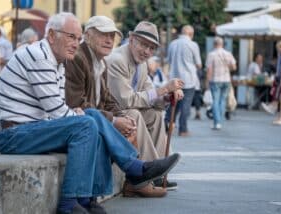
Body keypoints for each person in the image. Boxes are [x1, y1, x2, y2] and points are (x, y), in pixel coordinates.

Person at [0, 12, 180, 214]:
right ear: (52, 35)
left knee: (92, 124)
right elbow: (57, 111)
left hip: (32, 128)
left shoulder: (59, 60)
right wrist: (103, 119)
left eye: (77, 38)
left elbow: (100, 101)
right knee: (89, 123)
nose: (75, 43)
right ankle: (78, 199)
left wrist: (98, 117)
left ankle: (87, 200)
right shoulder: (40, 56)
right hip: (12, 134)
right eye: (71, 36)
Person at [65, 16, 166, 197]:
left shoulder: (101, 61)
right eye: (103, 35)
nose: (109, 40)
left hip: (93, 117)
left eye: (112, 36)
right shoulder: (83, 58)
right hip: (81, 120)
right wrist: (116, 119)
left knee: (146, 115)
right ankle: (140, 173)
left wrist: (164, 98)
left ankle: (149, 173)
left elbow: (108, 99)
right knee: (130, 115)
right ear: (87, 36)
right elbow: (77, 104)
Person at [106, 21, 184, 190]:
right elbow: (125, 100)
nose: (147, 52)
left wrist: (166, 97)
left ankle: (157, 173)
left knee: (155, 115)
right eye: (143, 45)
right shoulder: (117, 60)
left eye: (151, 48)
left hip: (123, 109)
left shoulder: (141, 65)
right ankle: (147, 170)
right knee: (134, 114)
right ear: (131, 39)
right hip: (110, 113)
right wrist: (163, 89)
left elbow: (151, 95)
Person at [165, 25, 202, 136]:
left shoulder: (172, 43)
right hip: (188, 79)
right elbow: (199, 64)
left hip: (174, 79)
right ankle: (183, 129)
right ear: (191, 34)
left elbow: (169, 61)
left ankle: (167, 126)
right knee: (186, 105)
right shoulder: (193, 45)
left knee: (173, 104)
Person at [205, 36, 236, 130]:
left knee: (215, 101)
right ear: (222, 44)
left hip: (215, 80)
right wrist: (227, 67)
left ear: (214, 44)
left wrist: (207, 82)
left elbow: (209, 70)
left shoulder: (212, 54)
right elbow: (234, 67)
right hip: (226, 80)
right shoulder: (228, 54)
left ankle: (217, 123)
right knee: (222, 101)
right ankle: (220, 121)